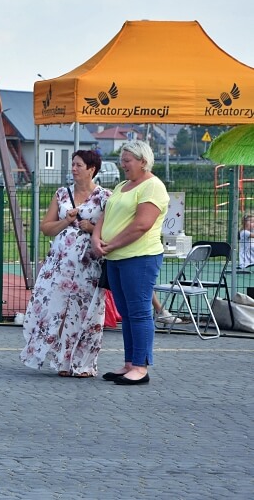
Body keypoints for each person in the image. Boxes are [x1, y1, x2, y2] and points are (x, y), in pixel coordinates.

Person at [20, 150, 112, 377]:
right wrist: (66, 221)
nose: (73, 169)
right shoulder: (62, 194)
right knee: (58, 309)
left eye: (79, 165)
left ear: (91, 169)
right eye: (73, 164)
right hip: (60, 262)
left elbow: (111, 231)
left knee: (86, 312)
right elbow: (45, 228)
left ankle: (84, 364)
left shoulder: (105, 197)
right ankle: (62, 361)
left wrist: (91, 228)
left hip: (88, 264)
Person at [92, 140, 169, 386]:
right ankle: (130, 363)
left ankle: (140, 366)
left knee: (139, 312)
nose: (122, 165)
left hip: (139, 257)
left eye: (127, 160)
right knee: (126, 313)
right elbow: (106, 214)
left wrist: (111, 244)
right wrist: (96, 237)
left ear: (143, 161)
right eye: (122, 160)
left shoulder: (153, 187)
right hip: (116, 258)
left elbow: (142, 225)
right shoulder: (122, 185)